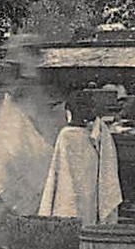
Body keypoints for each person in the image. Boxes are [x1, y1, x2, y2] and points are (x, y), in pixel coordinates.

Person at [0, 36, 61, 249]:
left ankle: (0, 236)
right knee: (27, 183)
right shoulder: (23, 73)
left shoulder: (27, 72)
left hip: (19, 129)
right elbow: (22, 97)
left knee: (25, 187)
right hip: (16, 131)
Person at [39, 90, 122, 224]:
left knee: (86, 202)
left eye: (88, 107)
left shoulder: (96, 132)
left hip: (88, 175)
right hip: (70, 181)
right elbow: (59, 170)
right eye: (83, 107)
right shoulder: (67, 135)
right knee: (71, 198)